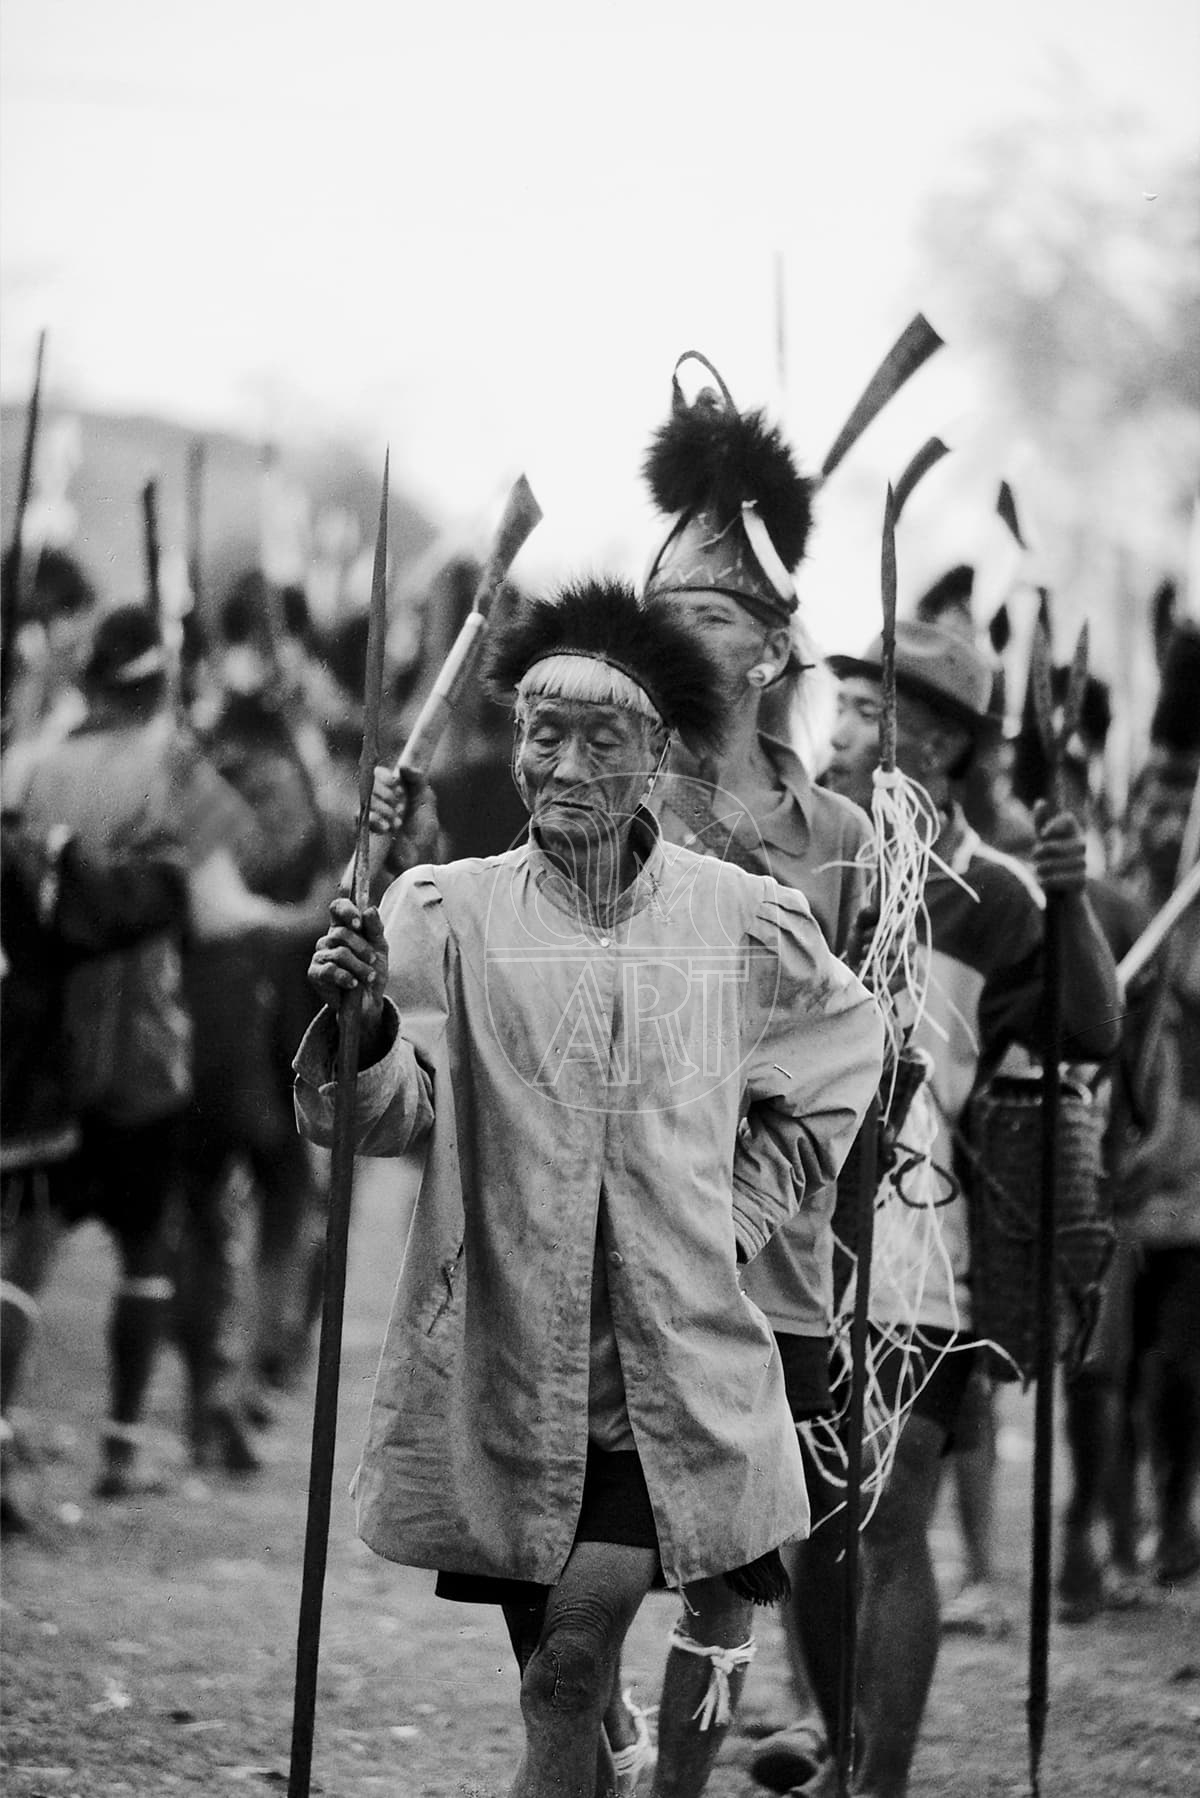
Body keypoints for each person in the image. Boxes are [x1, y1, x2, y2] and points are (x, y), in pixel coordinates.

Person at [296, 576, 884, 1798]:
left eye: (599, 738)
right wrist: (354, 1029)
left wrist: (741, 1210)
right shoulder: (443, 913)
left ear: (658, 752)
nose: (559, 764)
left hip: (671, 1372)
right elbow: (393, 1111)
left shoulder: (740, 923)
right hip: (507, 1376)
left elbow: (844, 1054)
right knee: (555, 1686)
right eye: (539, 733)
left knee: (570, 1658)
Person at [752, 619, 1121, 1798]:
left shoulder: (996, 896)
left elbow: (1094, 1027)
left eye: (880, 710)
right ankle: (838, 1733)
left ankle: (881, 1782)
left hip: (922, 1235)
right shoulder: (791, 859)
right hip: (795, 1228)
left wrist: (1073, 905)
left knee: (888, 1502)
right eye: (847, 702)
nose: (850, 725)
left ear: (949, 744)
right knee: (810, 1514)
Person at [622, 355, 872, 1797]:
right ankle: (583, 1745)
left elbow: (853, 1057)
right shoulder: (604, 796)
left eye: (712, 612)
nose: (684, 635)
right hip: (608, 1220)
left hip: (769, 1251)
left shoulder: (843, 831)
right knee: (582, 1564)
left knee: (729, 1572)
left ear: (775, 645)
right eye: (666, 614)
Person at [0, 797, 188, 1530]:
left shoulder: (35, 783)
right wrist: (160, 871)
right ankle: (119, 1446)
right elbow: (115, 912)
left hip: (63, 1072)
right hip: (47, 1083)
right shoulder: (36, 846)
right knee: (23, 1256)